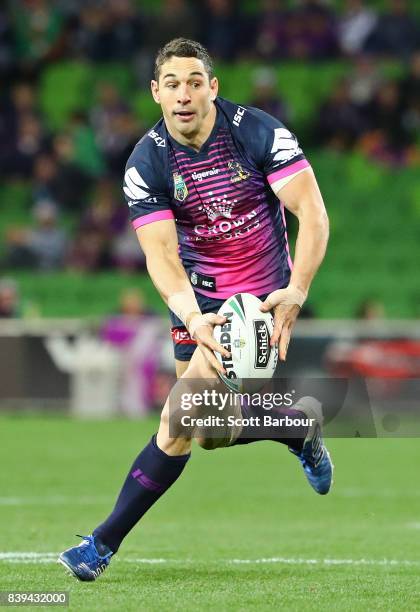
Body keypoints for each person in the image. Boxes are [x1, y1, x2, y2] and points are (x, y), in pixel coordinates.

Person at [59, 38, 332, 581]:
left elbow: (312, 214)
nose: (184, 94)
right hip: (198, 301)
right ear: (156, 93)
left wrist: (297, 292)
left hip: (258, 302)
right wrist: (190, 314)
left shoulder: (259, 133)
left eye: (194, 81)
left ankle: (100, 545)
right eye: (172, 84)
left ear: (213, 87)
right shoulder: (147, 161)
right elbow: (160, 255)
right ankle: (298, 429)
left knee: (178, 422)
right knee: (208, 432)